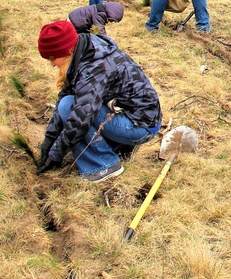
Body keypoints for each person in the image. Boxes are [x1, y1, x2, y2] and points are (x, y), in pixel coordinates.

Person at [35, 19, 162, 182]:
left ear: (67, 50)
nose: (52, 64)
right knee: (68, 102)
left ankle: (103, 165)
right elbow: (66, 93)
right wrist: (50, 139)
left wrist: (55, 155)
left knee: (70, 107)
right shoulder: (83, 50)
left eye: (53, 58)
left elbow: (79, 120)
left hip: (141, 126)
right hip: (132, 115)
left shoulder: (95, 67)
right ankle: (115, 145)